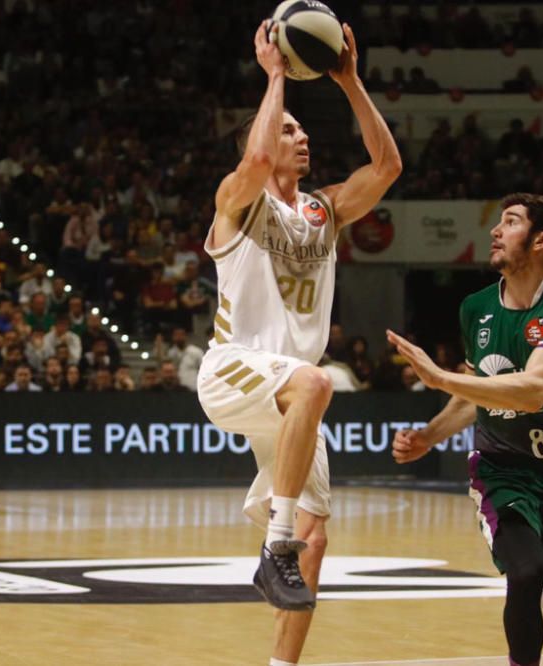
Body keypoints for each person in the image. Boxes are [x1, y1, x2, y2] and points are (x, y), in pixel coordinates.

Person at [196, 20, 401, 666]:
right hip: (233, 371)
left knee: (317, 540)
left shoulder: (324, 210)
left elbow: (388, 166)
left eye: (303, 129)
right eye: (289, 129)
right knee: (316, 381)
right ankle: (272, 545)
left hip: (291, 397)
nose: (302, 135)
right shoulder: (236, 204)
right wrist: (276, 72)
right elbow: (255, 162)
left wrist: (348, 78)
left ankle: (282, 661)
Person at [389, 194, 543, 666]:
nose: (495, 231)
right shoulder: (476, 308)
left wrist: (438, 376)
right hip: (503, 470)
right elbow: (475, 395)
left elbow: (532, 388)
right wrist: (429, 435)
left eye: (509, 222)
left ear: (541, 240)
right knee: (525, 574)